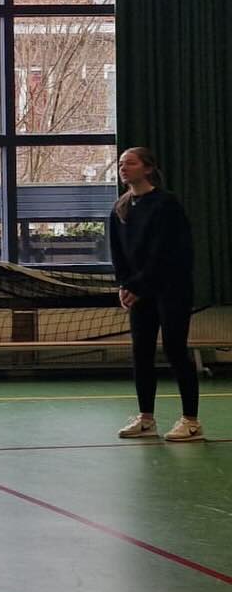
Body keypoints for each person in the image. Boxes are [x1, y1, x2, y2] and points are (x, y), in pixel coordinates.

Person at [108, 146, 202, 442]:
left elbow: (165, 252)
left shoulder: (166, 204)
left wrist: (137, 285)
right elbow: (118, 253)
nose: (124, 168)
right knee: (141, 353)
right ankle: (146, 419)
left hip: (171, 289)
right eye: (121, 163)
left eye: (131, 163)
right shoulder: (120, 208)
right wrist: (125, 286)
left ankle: (191, 421)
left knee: (175, 350)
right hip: (139, 292)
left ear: (147, 168)